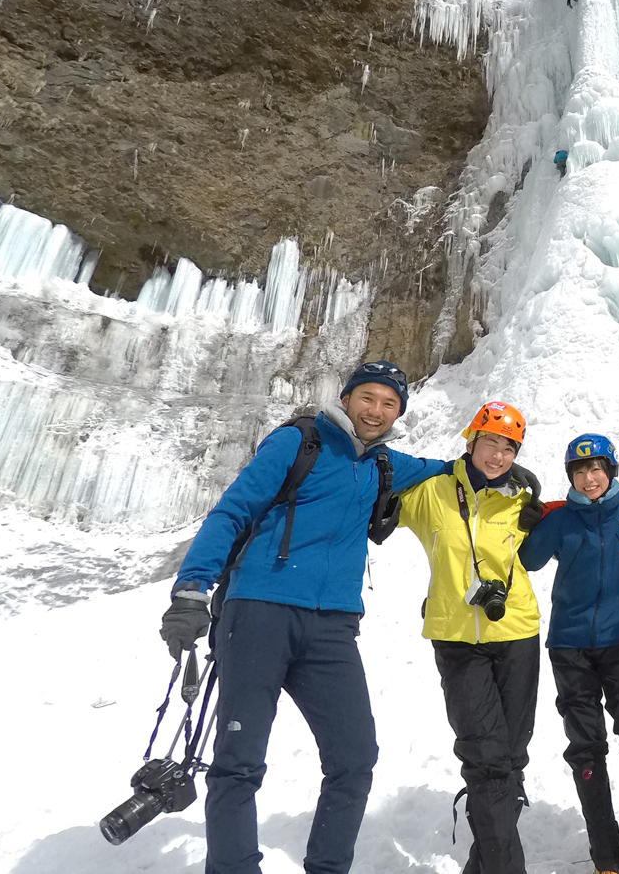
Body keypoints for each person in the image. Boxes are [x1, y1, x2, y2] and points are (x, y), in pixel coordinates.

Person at [159, 360, 451, 874]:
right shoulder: (300, 441)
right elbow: (232, 511)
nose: (376, 411)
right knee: (238, 763)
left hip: (332, 629)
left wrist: (489, 464)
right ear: (348, 397)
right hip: (259, 615)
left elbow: (443, 468)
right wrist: (191, 591)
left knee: (355, 757)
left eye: (389, 404)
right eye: (368, 398)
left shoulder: (384, 465)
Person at [396, 401, 545, 874]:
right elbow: (372, 496)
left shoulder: (522, 500)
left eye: (508, 448)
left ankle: (484, 864)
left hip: (517, 632)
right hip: (457, 639)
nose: (497, 456)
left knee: (511, 755)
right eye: (490, 443)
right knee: (485, 755)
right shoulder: (432, 493)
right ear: (471, 442)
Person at [519, 434, 619, 874]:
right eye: (579, 471)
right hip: (569, 650)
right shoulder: (560, 520)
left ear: (611, 470)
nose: (589, 478)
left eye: (596, 468)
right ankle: (607, 858)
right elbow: (525, 559)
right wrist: (531, 518)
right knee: (587, 750)